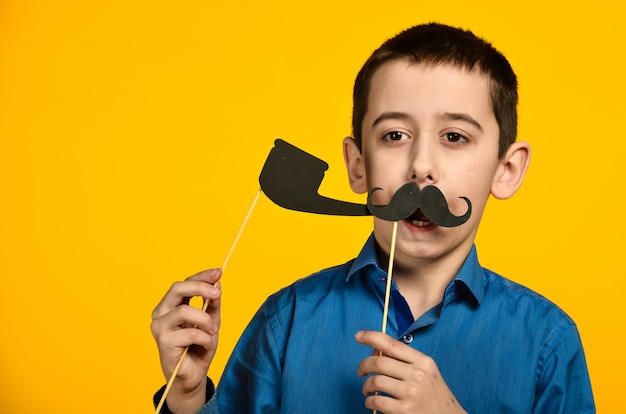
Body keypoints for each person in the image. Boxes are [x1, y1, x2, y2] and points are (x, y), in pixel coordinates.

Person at [151, 23, 595, 413]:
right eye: (395, 135)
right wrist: (187, 397)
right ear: (358, 165)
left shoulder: (547, 341)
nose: (421, 166)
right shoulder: (286, 320)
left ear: (507, 170)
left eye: (454, 136)